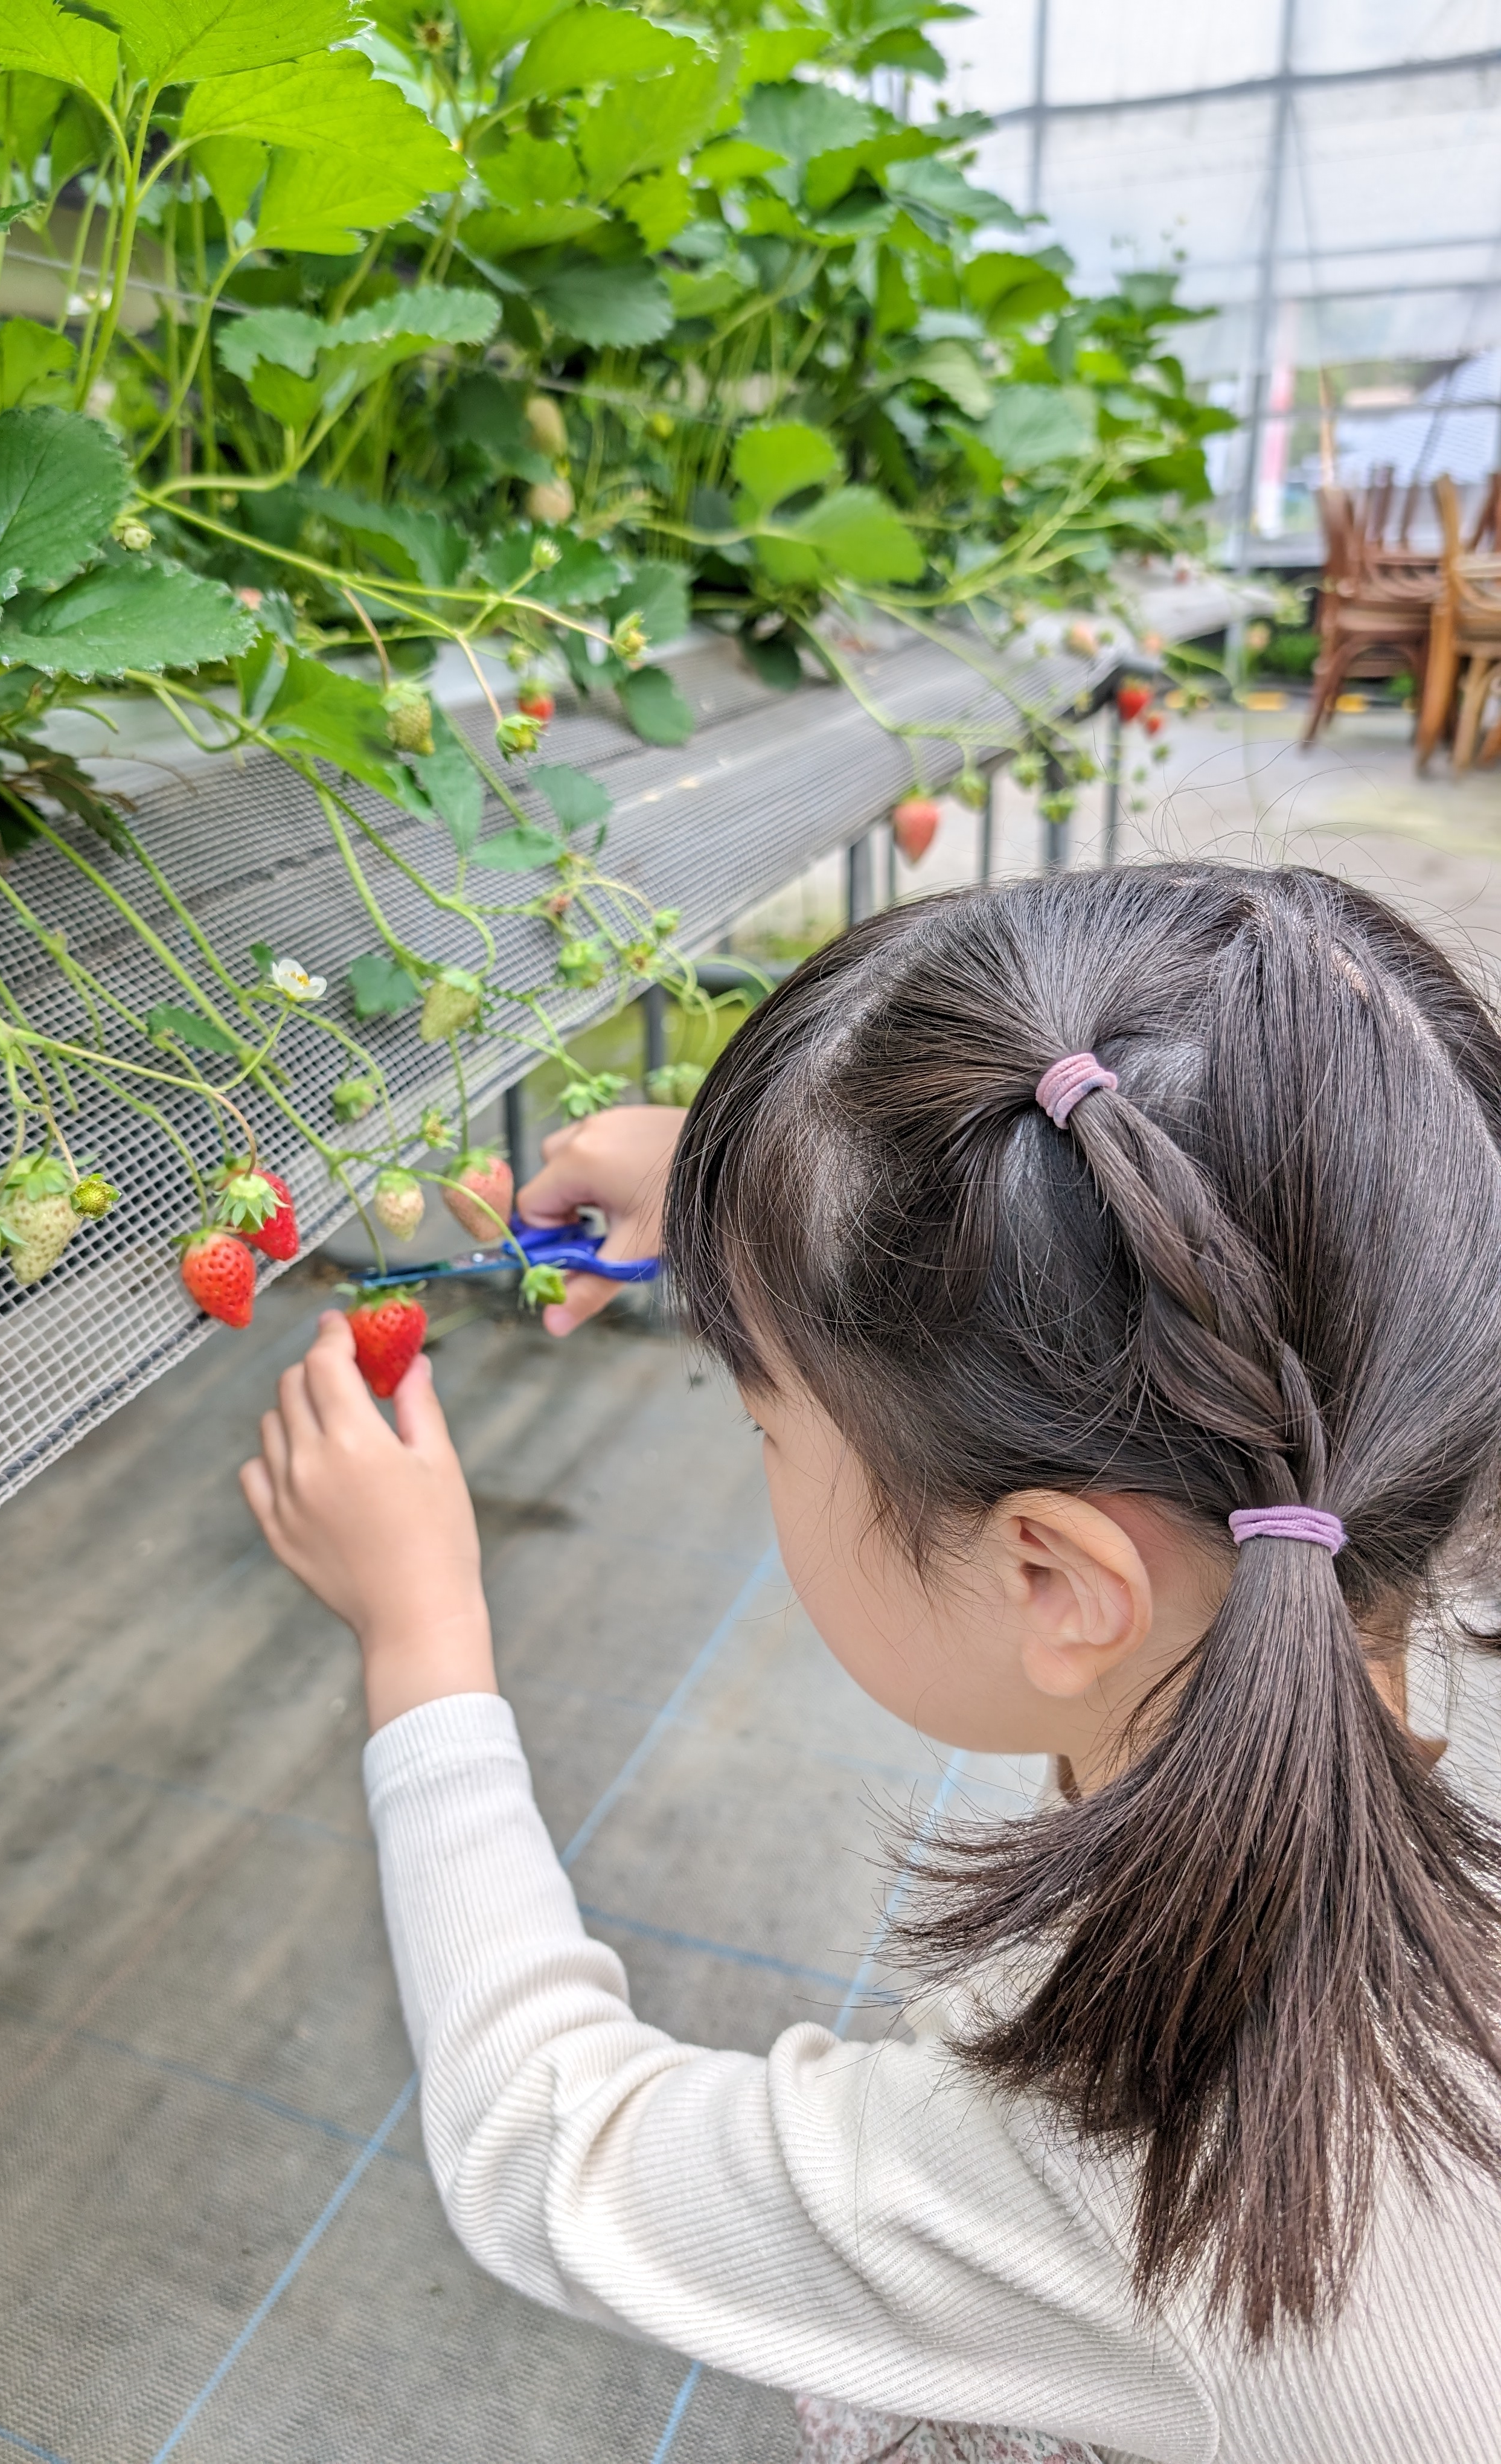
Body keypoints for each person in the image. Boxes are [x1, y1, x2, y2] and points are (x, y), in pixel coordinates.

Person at [238, 864, 1501, 2463]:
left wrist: (423, 1636)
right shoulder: (1319, 1553)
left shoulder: (1121, 2174)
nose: (761, 1430)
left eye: (768, 1417)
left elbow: (545, 2144)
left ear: (1054, 1577)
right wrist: (750, 1196)